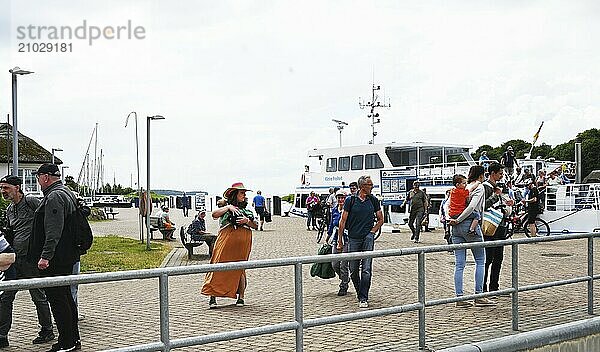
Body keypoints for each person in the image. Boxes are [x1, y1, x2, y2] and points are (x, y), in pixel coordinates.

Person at [28, 164, 81, 352]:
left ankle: (67, 342)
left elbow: (53, 230)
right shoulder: (66, 192)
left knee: (59, 300)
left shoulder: (54, 196)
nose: (38, 181)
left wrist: (45, 256)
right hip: (65, 256)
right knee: (66, 298)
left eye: (38, 177)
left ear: (45, 177)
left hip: (56, 259)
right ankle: (73, 339)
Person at [0, 175, 54, 348]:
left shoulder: (31, 202)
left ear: (17, 187)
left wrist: (44, 252)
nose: (3, 191)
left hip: (31, 259)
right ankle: (2, 335)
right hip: (14, 260)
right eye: (1, 188)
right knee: (6, 296)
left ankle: (47, 330)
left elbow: (47, 222)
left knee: (38, 296)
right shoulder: (9, 209)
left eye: (6, 188)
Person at [202, 182, 258, 308]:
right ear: (234, 195)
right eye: (242, 193)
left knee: (240, 269)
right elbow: (214, 214)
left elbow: (256, 226)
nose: (244, 195)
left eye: (244, 193)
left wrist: (246, 221)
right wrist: (228, 208)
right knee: (217, 266)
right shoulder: (226, 209)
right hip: (225, 242)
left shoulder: (247, 211)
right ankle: (213, 297)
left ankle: (241, 297)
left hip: (242, 246)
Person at [448, 165, 496, 307]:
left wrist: (453, 220)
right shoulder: (479, 187)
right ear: (481, 176)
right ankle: (478, 295)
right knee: (481, 261)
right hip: (469, 225)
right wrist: (460, 219)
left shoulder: (464, 187)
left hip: (455, 229)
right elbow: (472, 207)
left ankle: (459, 297)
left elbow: (448, 204)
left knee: (459, 264)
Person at [337, 176, 384, 308]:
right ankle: (360, 292)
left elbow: (381, 219)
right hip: (353, 238)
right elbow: (343, 221)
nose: (372, 187)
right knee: (353, 269)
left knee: (367, 269)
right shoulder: (350, 200)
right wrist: (340, 241)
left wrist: (372, 232)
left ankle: (363, 297)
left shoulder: (373, 200)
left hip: (367, 238)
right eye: (370, 185)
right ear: (362, 186)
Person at [482, 162, 514, 295]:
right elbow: (483, 205)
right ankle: (483, 287)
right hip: (491, 226)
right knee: (488, 258)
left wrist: (507, 203)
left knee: (498, 258)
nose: (502, 176)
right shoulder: (486, 187)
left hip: (500, 225)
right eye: (500, 173)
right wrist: (496, 196)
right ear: (492, 173)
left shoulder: (498, 187)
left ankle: (494, 286)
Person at [327, 190, 350, 296]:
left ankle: (344, 285)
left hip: (347, 239)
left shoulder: (349, 210)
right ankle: (344, 278)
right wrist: (328, 236)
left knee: (343, 264)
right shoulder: (335, 210)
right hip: (336, 238)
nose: (341, 200)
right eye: (339, 198)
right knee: (335, 263)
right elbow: (332, 224)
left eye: (343, 198)